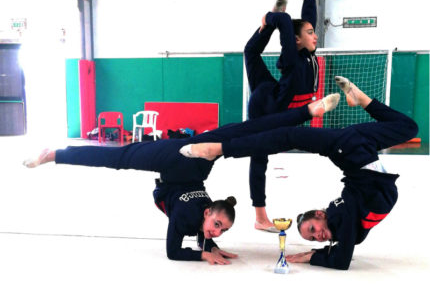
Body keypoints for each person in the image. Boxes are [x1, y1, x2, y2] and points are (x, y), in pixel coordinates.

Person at [23, 93, 340, 265]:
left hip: (181, 167)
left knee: (244, 133)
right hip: (183, 157)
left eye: (219, 229)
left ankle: (306, 112)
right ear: (208, 212)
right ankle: (55, 153)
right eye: (218, 226)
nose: (216, 230)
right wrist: (206, 248)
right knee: (116, 158)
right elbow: (180, 249)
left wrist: (210, 244)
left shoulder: (193, 218)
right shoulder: (201, 212)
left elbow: (190, 238)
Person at [181, 76, 419, 270]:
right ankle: (361, 99)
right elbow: (342, 254)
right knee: (409, 128)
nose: (319, 236)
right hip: (359, 150)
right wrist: (323, 251)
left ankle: (219, 149)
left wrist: (312, 256)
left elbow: (341, 261)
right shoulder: (347, 228)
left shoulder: (342, 217)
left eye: (313, 230)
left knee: (288, 136)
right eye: (314, 238)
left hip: (348, 149)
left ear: (320, 213)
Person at [244, 0, 319, 232]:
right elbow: (288, 23)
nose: (315, 36)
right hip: (268, 107)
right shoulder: (292, 58)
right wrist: (272, 18)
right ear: (296, 41)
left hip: (274, 93)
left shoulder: (308, 53)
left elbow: (306, 16)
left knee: (250, 53)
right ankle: (260, 217)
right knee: (259, 157)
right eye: (310, 33)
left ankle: (265, 26)